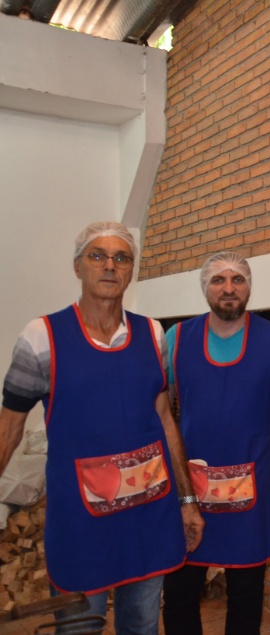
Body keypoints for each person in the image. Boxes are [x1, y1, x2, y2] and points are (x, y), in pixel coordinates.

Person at [0, 221, 204, 635]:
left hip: (149, 516)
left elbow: (164, 419)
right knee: (78, 626)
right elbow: (9, 428)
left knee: (142, 623)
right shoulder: (41, 337)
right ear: (78, 267)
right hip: (81, 524)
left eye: (121, 258)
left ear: (131, 270)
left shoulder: (153, 333)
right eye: (97, 256)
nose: (110, 266)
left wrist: (187, 499)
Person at [161, 252, 270, 635]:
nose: (228, 288)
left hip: (250, 498)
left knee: (245, 599)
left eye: (237, 279)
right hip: (190, 493)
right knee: (179, 595)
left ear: (249, 287)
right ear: (205, 288)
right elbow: (158, 414)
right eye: (218, 280)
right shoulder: (177, 339)